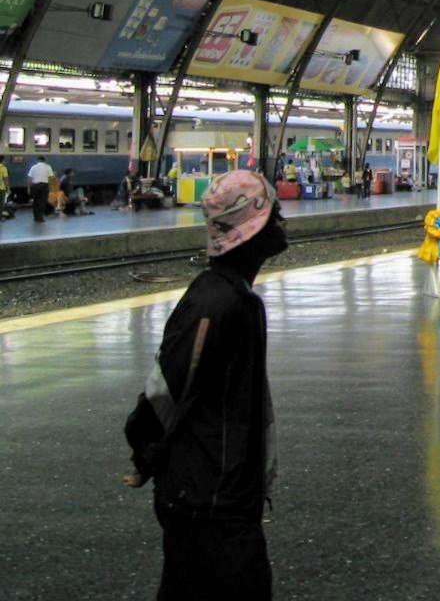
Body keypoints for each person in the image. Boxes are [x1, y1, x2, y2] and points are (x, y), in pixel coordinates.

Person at [123, 171, 289, 600]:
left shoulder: (234, 297)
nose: (283, 222)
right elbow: (166, 389)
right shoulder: (218, 303)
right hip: (207, 501)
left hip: (218, 494)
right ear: (251, 230)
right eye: (274, 214)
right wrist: (145, 450)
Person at [27, 154, 54, 222]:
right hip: (44, 186)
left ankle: (35, 217)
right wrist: (50, 187)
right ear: (44, 160)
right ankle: (40, 217)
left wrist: (29, 188)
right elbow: (51, 178)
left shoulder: (33, 167)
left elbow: (29, 178)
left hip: (35, 186)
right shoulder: (48, 167)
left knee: (35, 202)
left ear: (38, 160)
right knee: (42, 202)